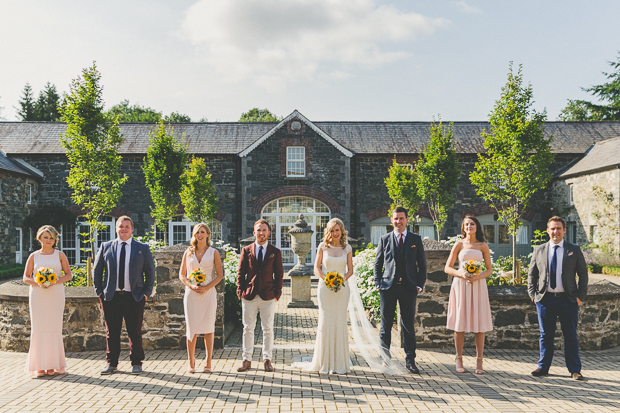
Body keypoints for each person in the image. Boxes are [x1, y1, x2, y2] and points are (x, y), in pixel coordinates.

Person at [93, 215, 155, 375]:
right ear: (116, 228)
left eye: (127, 226)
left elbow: (150, 272)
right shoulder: (106, 246)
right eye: (121, 226)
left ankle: (136, 363)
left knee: (134, 331)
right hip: (111, 297)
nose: (124, 229)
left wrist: (146, 293)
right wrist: (100, 291)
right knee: (111, 332)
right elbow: (97, 270)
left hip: (134, 296)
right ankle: (111, 363)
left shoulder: (142, 248)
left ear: (132, 229)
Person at [528, 216, 588, 380]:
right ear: (548, 230)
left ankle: (574, 370)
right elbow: (531, 275)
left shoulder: (574, 250)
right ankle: (543, 367)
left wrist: (580, 297)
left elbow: (583, 274)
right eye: (552, 229)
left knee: (570, 335)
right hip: (545, 300)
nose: (555, 232)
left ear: (564, 230)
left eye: (558, 228)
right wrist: (534, 296)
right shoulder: (539, 250)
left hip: (568, 300)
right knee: (545, 335)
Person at [374, 206, 427, 374]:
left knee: (408, 326)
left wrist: (419, 284)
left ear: (406, 220)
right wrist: (378, 282)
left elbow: (422, 265)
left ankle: (410, 360)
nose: (398, 221)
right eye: (395, 219)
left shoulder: (415, 239)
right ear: (392, 220)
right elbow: (378, 263)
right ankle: (385, 358)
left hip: (409, 288)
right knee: (385, 325)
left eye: (401, 218)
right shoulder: (384, 239)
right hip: (388, 287)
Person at [444, 215, 493, 374]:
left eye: (472, 224)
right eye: (466, 224)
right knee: (460, 322)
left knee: (479, 324)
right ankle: (459, 358)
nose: (469, 226)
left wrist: (478, 277)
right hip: (461, 285)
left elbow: (489, 270)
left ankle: (479, 361)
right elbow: (448, 268)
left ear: (476, 226)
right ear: (463, 228)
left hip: (478, 286)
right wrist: (460, 274)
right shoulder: (458, 244)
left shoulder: (482, 246)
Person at [303, 218, 354, 374]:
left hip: (342, 289)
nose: (335, 233)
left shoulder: (347, 248)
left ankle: (340, 363)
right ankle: (324, 362)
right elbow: (316, 268)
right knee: (326, 322)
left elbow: (350, 270)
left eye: (337, 230)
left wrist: (340, 280)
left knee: (340, 322)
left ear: (342, 231)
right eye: (332, 230)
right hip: (325, 288)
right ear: (328, 232)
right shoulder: (323, 247)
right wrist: (328, 280)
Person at [22, 225, 73, 377]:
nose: (49, 240)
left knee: (54, 329)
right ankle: (39, 367)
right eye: (46, 237)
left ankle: (53, 366)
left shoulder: (60, 255)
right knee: (38, 329)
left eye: (51, 237)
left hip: (55, 294)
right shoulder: (33, 256)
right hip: (38, 295)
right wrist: (40, 282)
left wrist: (53, 281)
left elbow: (68, 275)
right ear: (40, 238)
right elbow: (26, 277)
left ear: (55, 239)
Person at [236, 219, 284, 372]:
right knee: (248, 328)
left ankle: (267, 359)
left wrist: (277, 293)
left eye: (264, 230)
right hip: (249, 295)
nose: (261, 233)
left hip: (268, 295)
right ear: (254, 232)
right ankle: (246, 359)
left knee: (268, 328)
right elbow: (240, 273)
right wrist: (240, 292)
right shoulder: (246, 250)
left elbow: (279, 274)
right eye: (259, 230)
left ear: (268, 233)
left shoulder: (275, 252)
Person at [179, 223, 223, 373]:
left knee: (208, 328)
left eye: (202, 232)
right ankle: (191, 360)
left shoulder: (214, 252)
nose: (200, 235)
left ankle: (208, 360)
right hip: (192, 294)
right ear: (194, 235)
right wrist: (191, 286)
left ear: (208, 234)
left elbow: (219, 275)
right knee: (191, 328)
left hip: (208, 294)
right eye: (197, 232)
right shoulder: (188, 252)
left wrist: (207, 287)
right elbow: (182, 274)